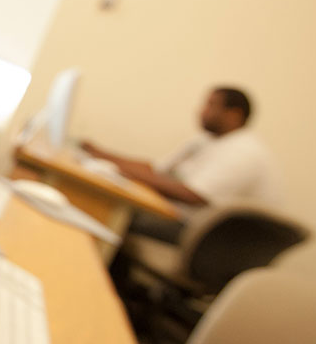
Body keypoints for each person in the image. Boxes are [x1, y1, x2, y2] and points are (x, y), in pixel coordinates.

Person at [81, 86, 283, 241]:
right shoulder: (207, 140)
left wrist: (124, 171)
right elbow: (156, 170)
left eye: (211, 105)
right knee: (107, 202)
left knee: (114, 211)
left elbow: (192, 195)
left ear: (234, 114)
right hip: (181, 220)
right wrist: (101, 155)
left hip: (204, 239)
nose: (202, 111)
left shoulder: (245, 151)